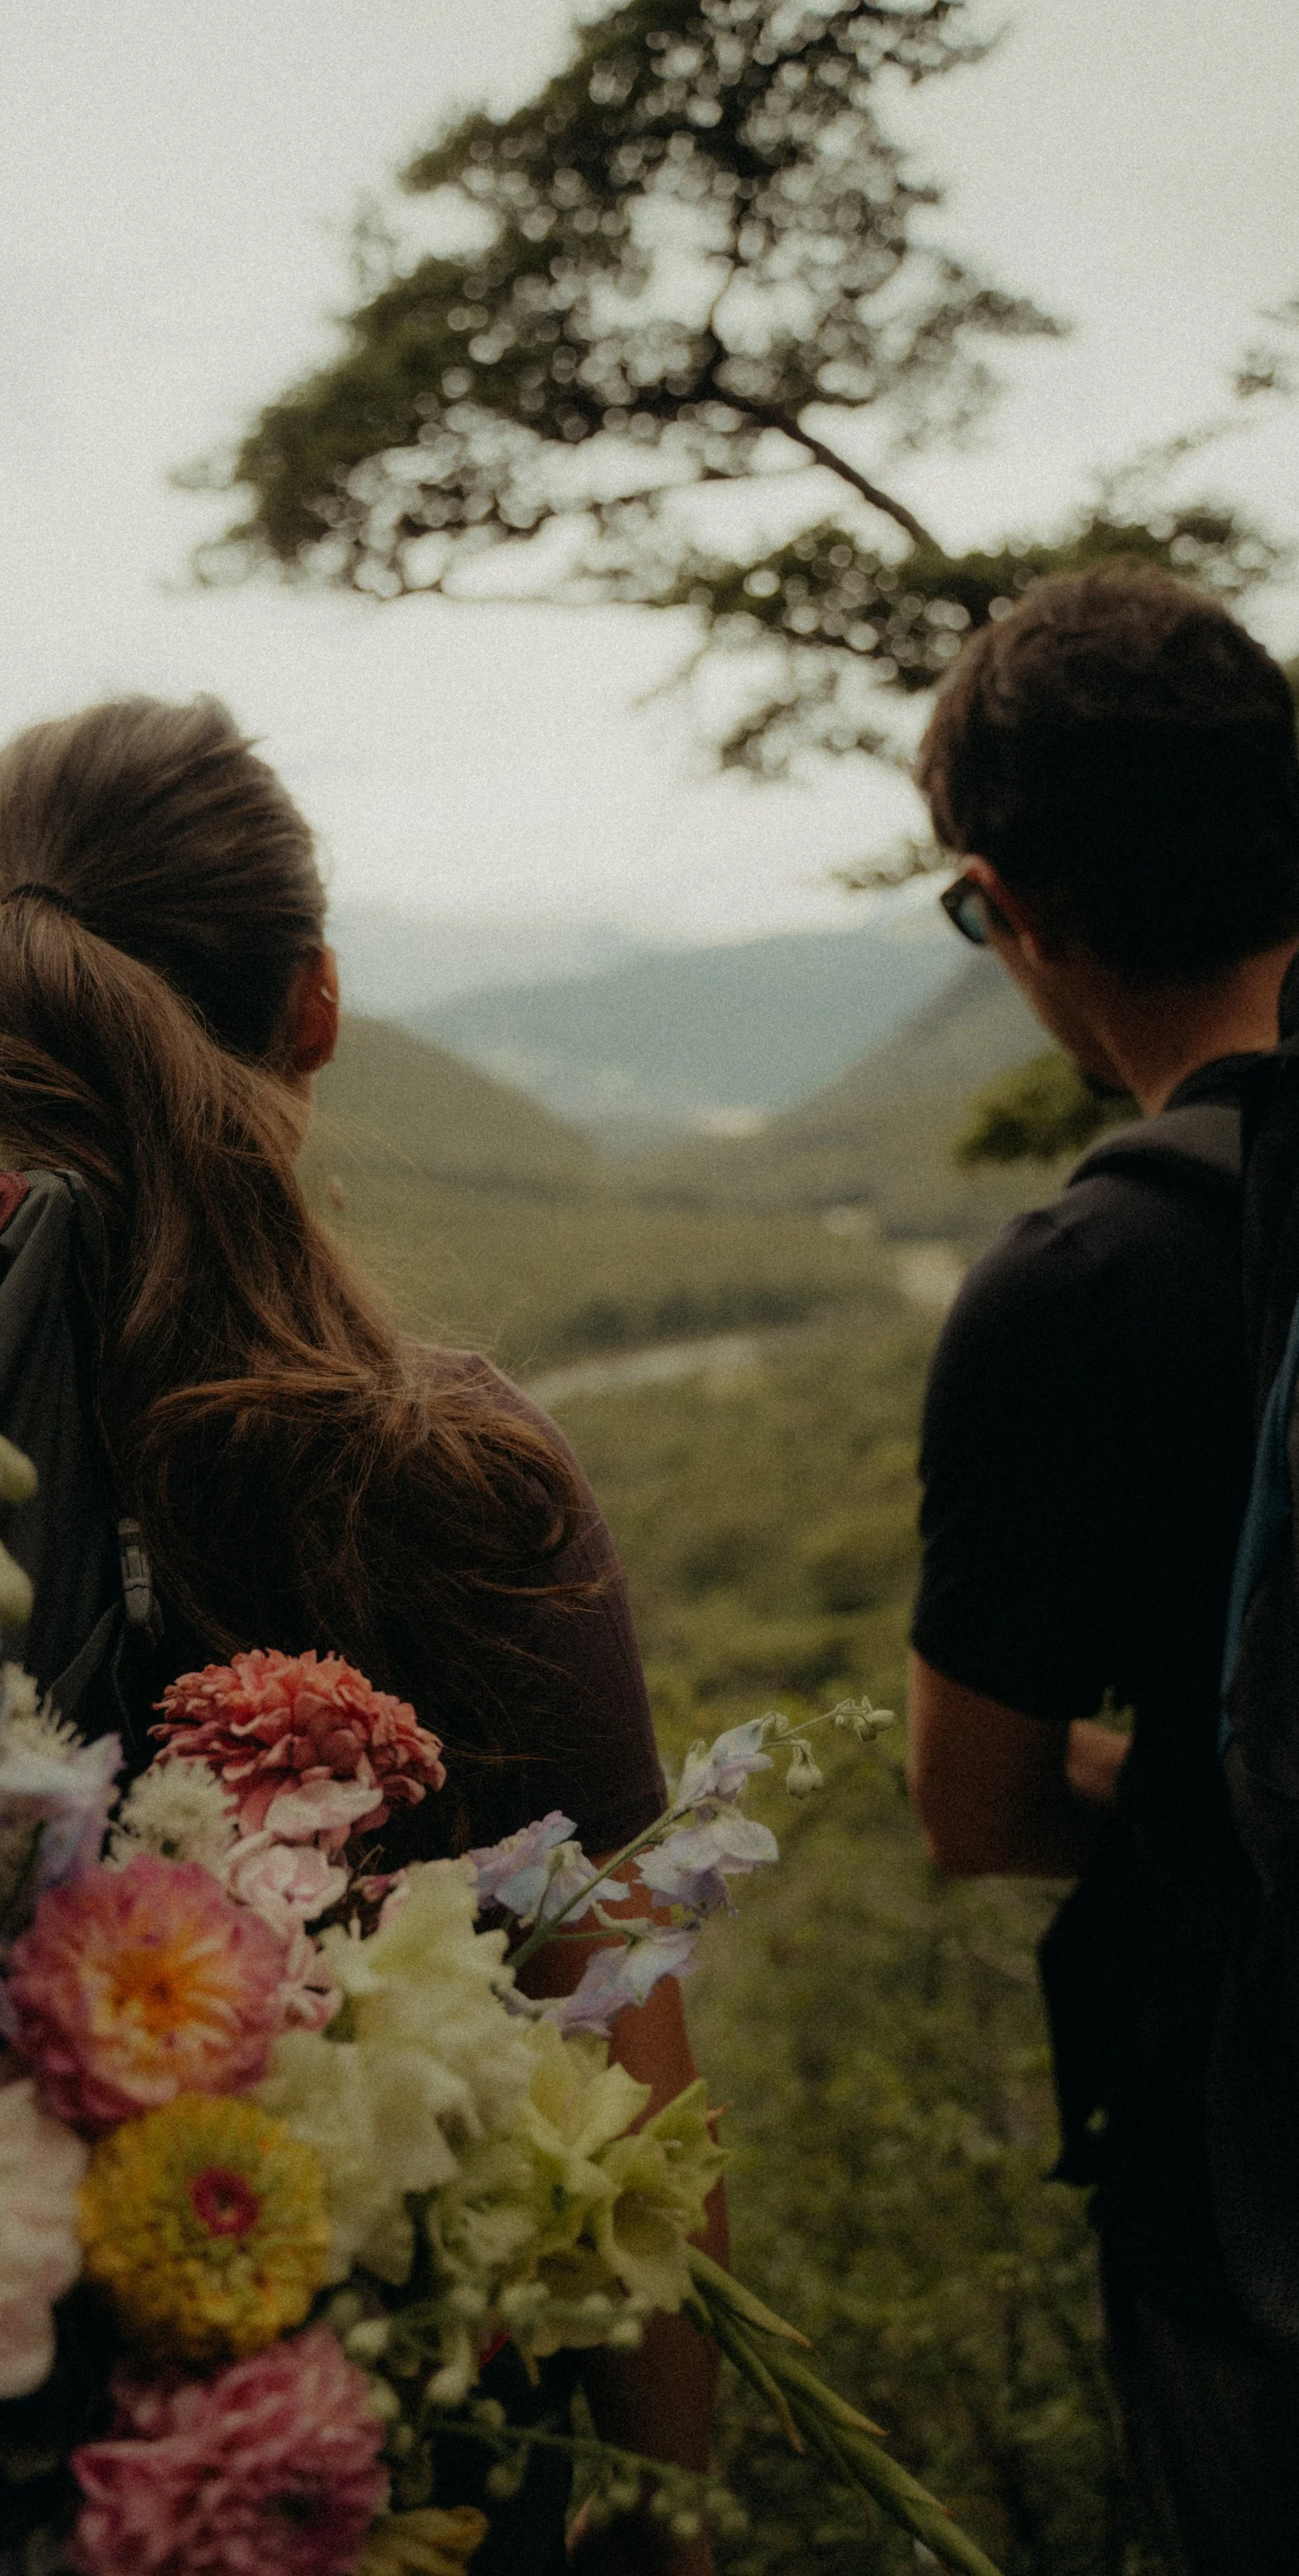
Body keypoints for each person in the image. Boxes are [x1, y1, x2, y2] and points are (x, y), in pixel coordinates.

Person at [0, 697, 722, 2575]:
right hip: (370, 2495)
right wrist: (675, 2527)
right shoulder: (461, 1473)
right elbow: (627, 2088)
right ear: (317, 1002)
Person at [903, 563, 1299, 2572]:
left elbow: (970, 1805)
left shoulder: (1074, 1285)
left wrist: (1197, 1791)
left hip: (1251, 2194)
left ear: (1014, 906)